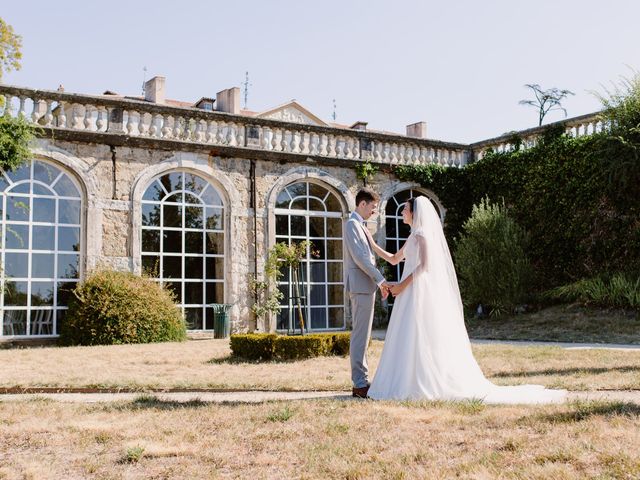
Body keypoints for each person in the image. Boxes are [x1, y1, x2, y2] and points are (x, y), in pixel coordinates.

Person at [364, 196, 566, 404]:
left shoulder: (423, 235)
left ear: (415, 213)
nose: (402, 213)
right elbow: (394, 259)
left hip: (418, 290)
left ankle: (424, 381)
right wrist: (370, 242)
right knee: (407, 334)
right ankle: (406, 380)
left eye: (405, 209)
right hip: (408, 291)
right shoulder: (413, 235)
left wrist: (401, 286)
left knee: (421, 332)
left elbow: (424, 266)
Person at [343, 188, 391, 398]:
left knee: (364, 336)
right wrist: (381, 280)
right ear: (362, 204)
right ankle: (360, 384)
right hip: (361, 287)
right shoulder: (352, 225)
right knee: (360, 336)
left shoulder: (360, 226)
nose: (374, 211)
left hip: (365, 287)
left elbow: (370, 253)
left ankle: (363, 381)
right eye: (372, 207)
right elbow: (361, 258)